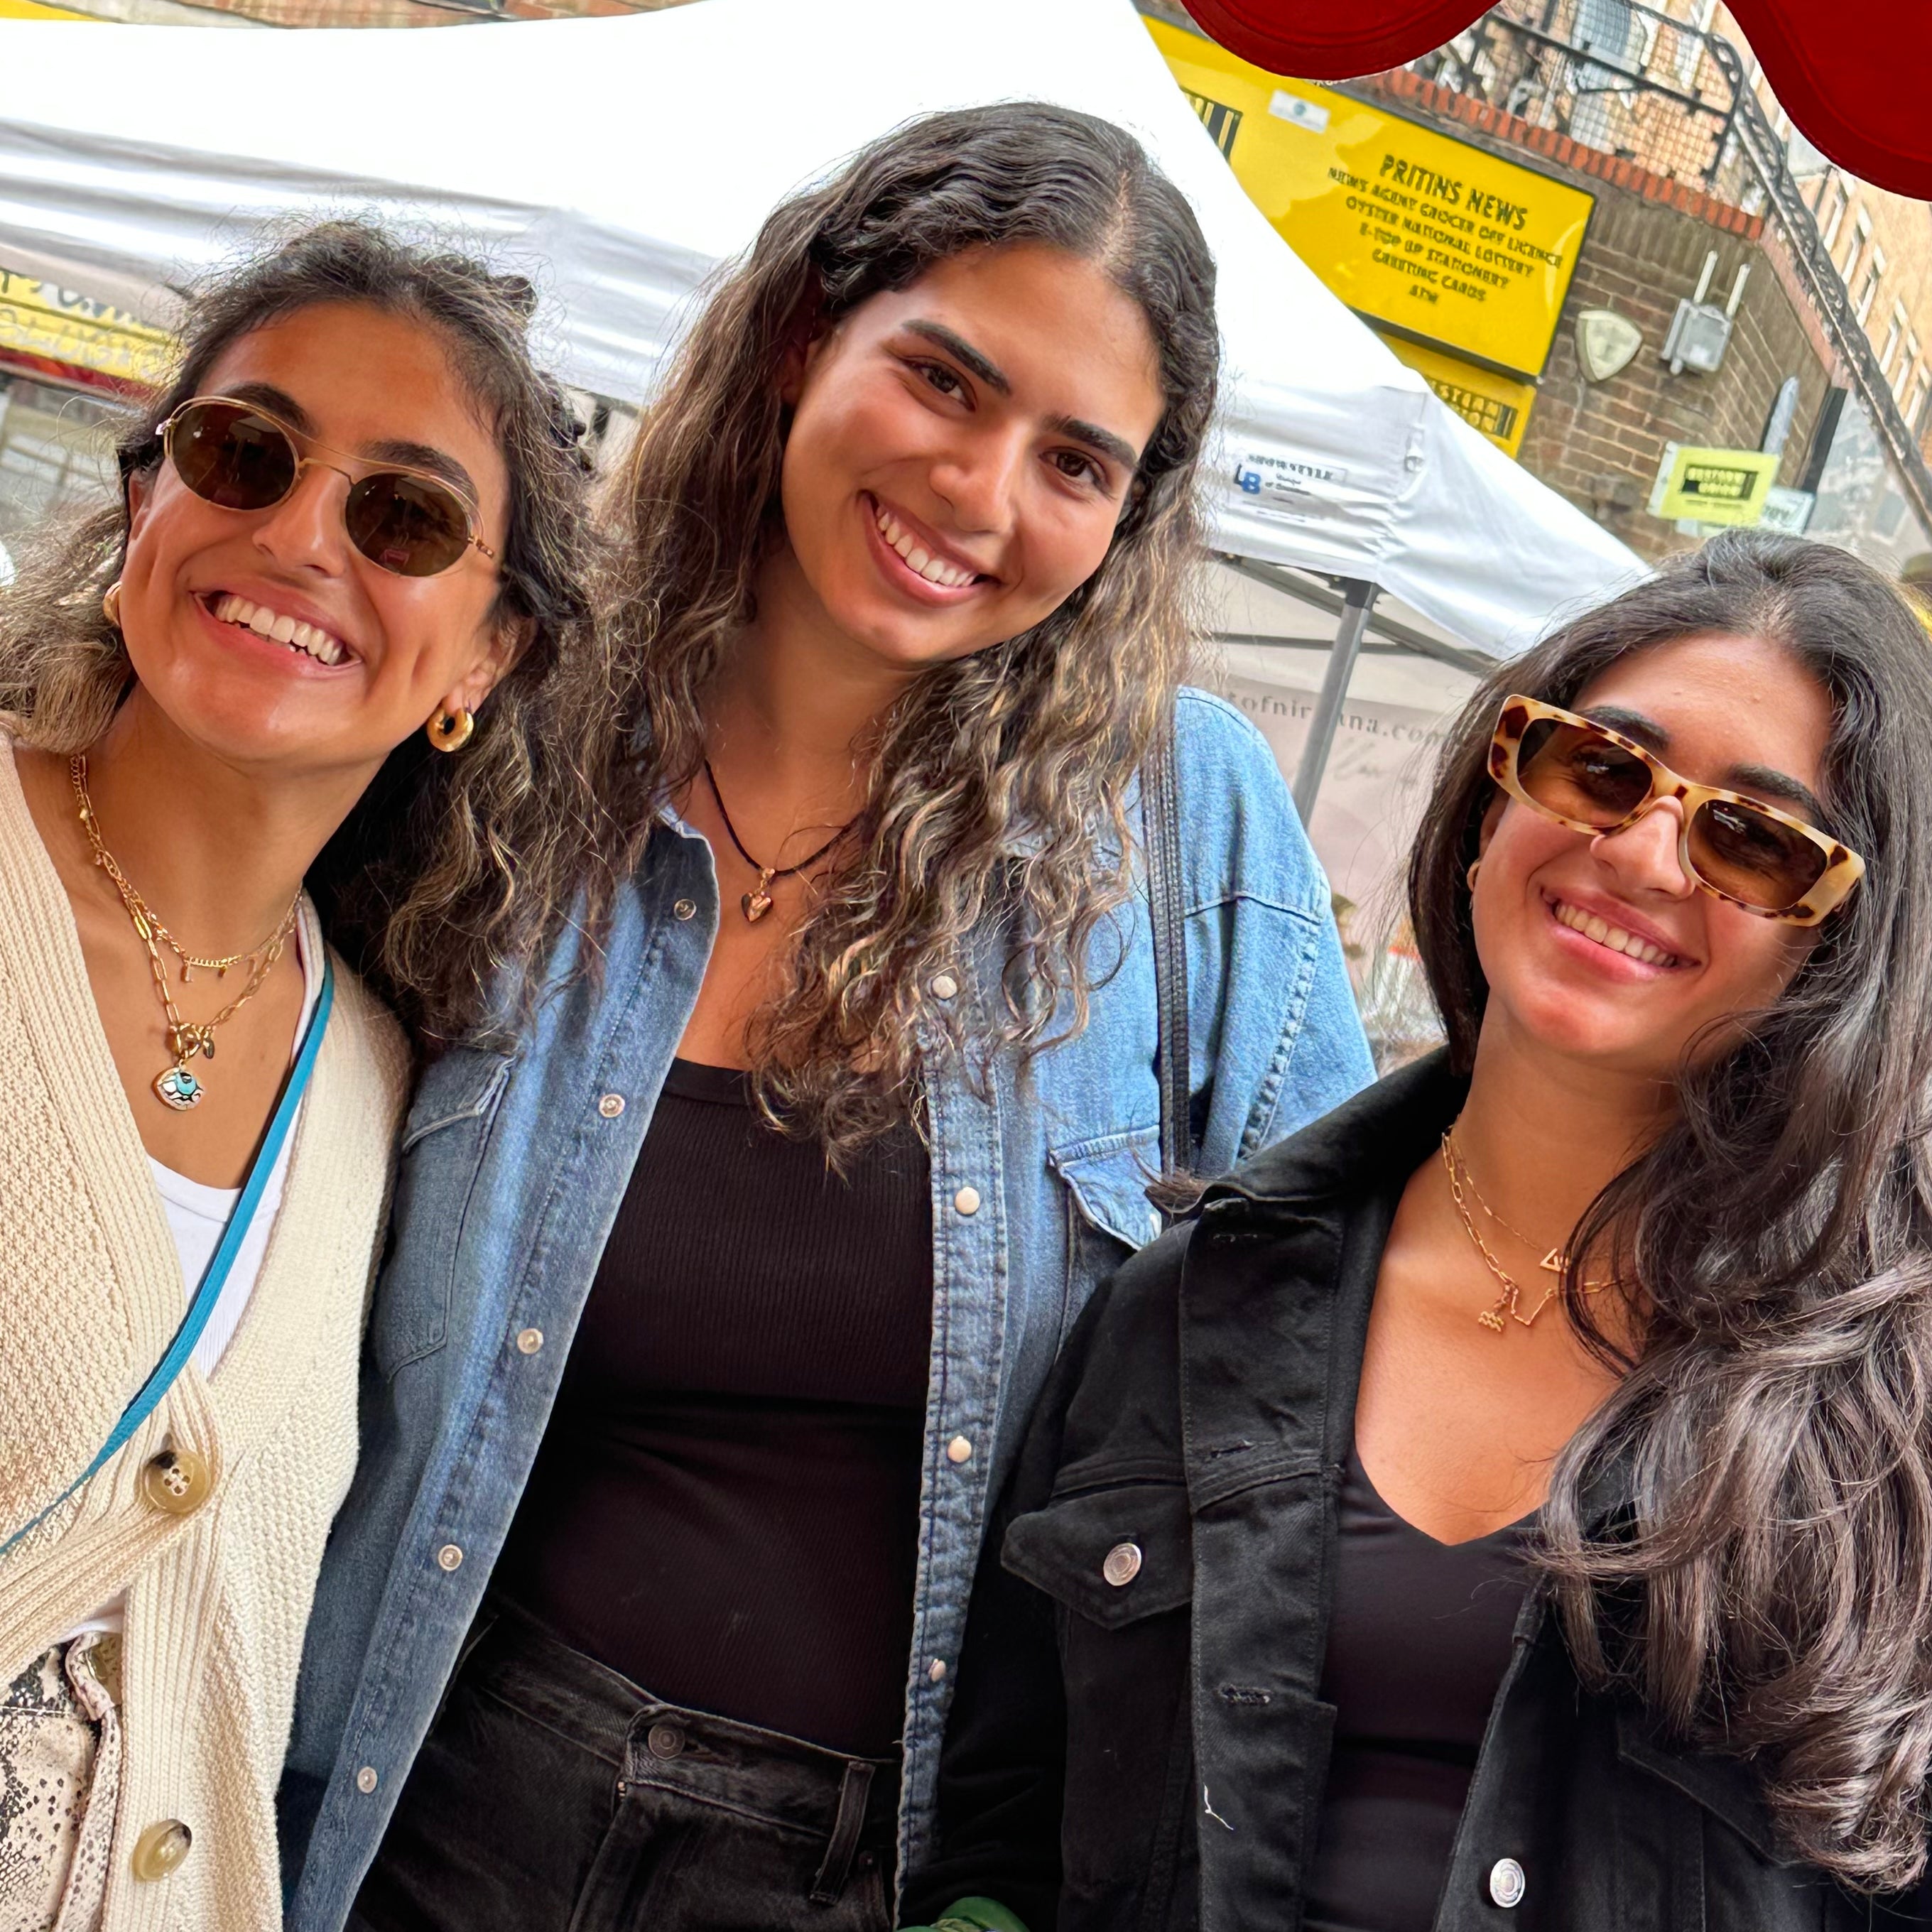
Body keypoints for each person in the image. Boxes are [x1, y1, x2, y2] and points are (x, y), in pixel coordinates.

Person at [278, 103, 1374, 1932]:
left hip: (885, 1873)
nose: (980, 492)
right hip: (429, 1794)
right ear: (805, 334)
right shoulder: (520, 730)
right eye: (943, 380)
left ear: (1126, 517)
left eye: (1074, 462)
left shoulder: (1178, 830)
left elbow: (1323, 1385)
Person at [903, 531, 1932, 1931]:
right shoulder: (1193, 1304)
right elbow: (1000, 1832)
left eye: (1750, 840)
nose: (1640, 852)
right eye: (1600, 768)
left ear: (1840, 945)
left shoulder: (1890, 1431)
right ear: (1497, 795)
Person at [0, 220, 610, 1932]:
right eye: (241, 453)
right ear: (146, 501)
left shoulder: (386, 1088)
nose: (294, 535)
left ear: (485, 657)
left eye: (403, 516)